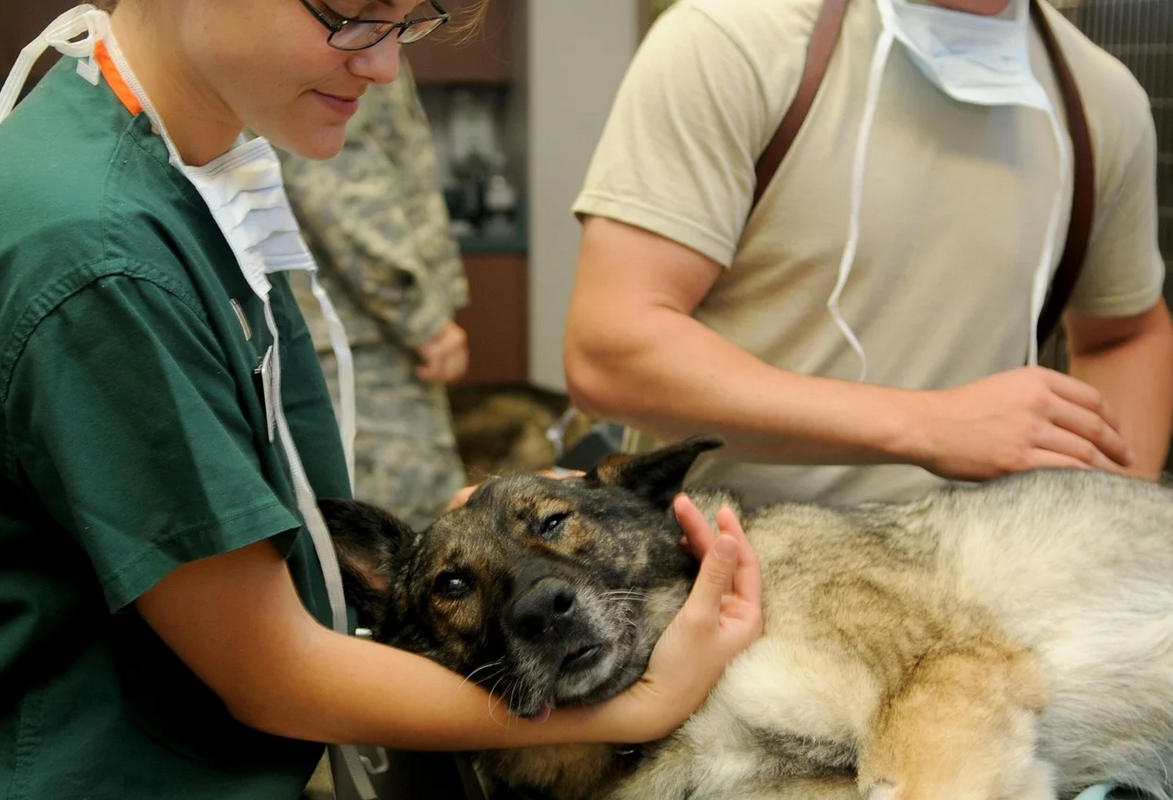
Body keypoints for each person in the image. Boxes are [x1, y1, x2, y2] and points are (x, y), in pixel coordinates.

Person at [0, 3, 763, 800]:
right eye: (352, 15)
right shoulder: (102, 260)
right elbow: (272, 672)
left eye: (408, 25)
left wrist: (489, 534)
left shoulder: (189, 172)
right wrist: (642, 705)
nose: (383, 66)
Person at [564, 0, 1173, 512]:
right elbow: (611, 349)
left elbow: (1125, 333)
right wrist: (927, 425)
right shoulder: (734, 41)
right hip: (729, 582)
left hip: (982, 584)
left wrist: (1108, 521)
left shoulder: (1101, 101)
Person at [280, 58, 471, 530]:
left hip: (350, 331)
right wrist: (421, 320)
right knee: (403, 541)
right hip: (360, 339)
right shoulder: (346, 30)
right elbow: (340, 186)